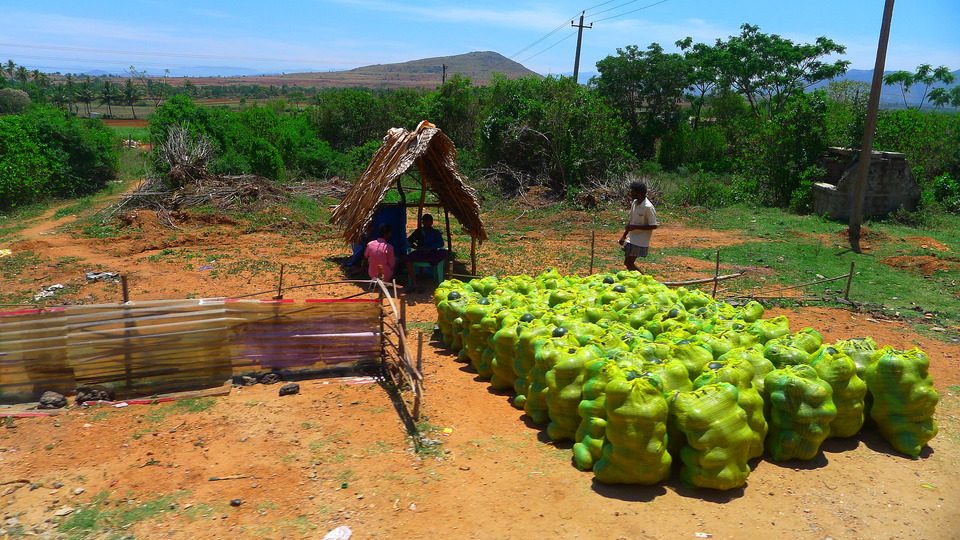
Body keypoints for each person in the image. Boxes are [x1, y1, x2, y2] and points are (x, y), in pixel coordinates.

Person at [618, 180, 658, 272]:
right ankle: (637, 279)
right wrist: (624, 236)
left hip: (640, 240)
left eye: (633, 191)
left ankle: (646, 280)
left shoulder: (648, 207)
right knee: (628, 263)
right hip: (631, 239)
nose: (631, 193)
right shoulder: (635, 203)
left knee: (629, 263)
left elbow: (653, 226)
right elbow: (631, 221)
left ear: (639, 193)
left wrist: (635, 227)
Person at [405, 213, 447, 283]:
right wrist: (416, 247)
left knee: (444, 253)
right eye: (425, 221)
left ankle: (433, 271)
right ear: (423, 222)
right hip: (421, 253)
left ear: (432, 222)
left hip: (432, 253)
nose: (427, 223)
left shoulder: (435, 232)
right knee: (407, 259)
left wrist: (431, 248)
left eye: (429, 221)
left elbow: (441, 243)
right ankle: (414, 282)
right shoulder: (419, 231)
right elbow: (409, 241)